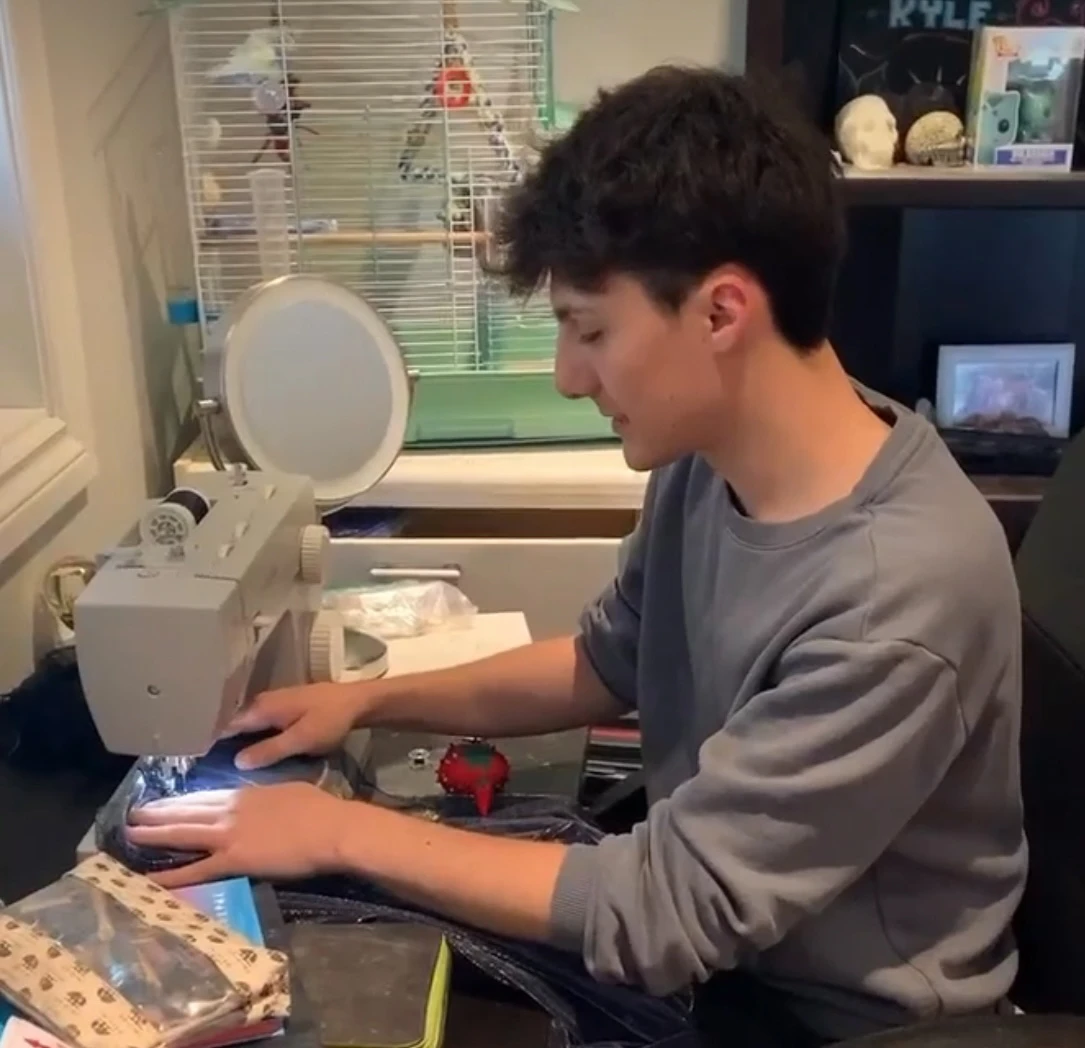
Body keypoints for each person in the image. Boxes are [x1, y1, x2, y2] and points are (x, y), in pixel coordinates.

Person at [128, 66, 1027, 1047]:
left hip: (828, 1022)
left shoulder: (894, 595)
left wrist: (337, 827)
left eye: (588, 330)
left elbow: (658, 915)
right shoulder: (706, 461)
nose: (566, 377)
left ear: (720, 312)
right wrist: (364, 702)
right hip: (724, 952)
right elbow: (605, 658)